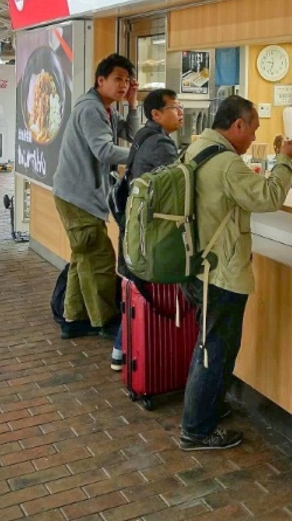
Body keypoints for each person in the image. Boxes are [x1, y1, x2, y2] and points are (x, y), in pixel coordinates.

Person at [178, 95, 292, 452]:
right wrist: (285, 160)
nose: (253, 138)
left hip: (198, 265)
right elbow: (269, 197)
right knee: (214, 350)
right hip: (221, 272)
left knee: (211, 346)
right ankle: (196, 430)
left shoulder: (198, 147)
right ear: (238, 126)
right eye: (253, 129)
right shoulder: (228, 163)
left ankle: (207, 410)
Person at [52, 54, 140, 340]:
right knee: (100, 258)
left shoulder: (106, 109)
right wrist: (144, 157)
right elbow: (104, 151)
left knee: (83, 258)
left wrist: (132, 105)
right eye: (118, 79)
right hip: (78, 197)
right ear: (100, 80)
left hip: (79, 194)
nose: (124, 85)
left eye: (127, 81)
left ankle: (73, 319)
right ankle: (105, 322)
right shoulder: (91, 109)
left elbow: (132, 134)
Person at [110, 88, 183, 371]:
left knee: (135, 287)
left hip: (134, 223)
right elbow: (177, 185)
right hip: (149, 229)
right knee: (143, 289)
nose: (180, 113)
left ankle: (121, 350)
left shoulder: (143, 135)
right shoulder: (162, 145)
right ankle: (133, 352)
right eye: (175, 107)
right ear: (156, 114)